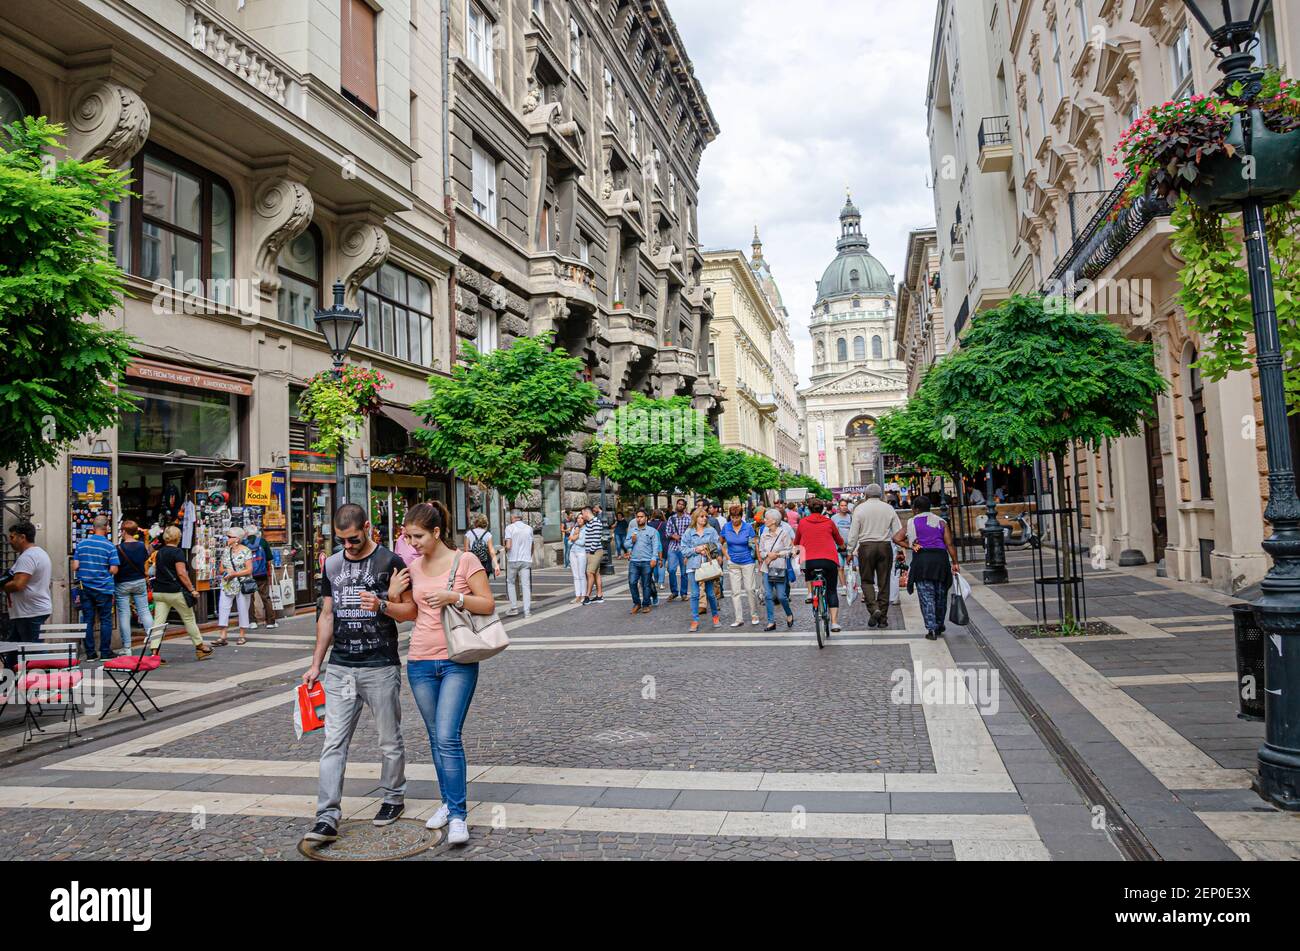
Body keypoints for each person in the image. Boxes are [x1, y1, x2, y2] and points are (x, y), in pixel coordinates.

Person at [301, 504, 412, 845]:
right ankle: (327, 816)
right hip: (341, 668)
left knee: (388, 739)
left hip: (380, 665)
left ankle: (393, 797)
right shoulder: (331, 565)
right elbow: (326, 616)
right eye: (342, 541)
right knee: (333, 742)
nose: (347, 546)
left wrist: (381, 604)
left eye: (353, 539)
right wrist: (316, 663)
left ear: (367, 526)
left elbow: (410, 611)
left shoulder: (391, 562)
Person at [385, 501, 492, 847]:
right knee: (434, 738)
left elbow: (487, 604)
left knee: (448, 736)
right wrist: (389, 597)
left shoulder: (466, 560)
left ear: (436, 532)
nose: (411, 543)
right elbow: (410, 614)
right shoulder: (412, 569)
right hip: (419, 662)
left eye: (417, 536)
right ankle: (447, 804)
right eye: (407, 536)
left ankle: (459, 816)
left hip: (457, 658)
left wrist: (454, 596)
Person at [895, 496, 960, 640]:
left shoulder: (911, 522)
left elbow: (896, 538)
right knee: (941, 595)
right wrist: (955, 563)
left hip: (922, 561)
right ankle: (939, 624)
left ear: (916, 509)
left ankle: (931, 629)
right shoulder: (941, 522)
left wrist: (911, 546)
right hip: (940, 561)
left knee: (926, 597)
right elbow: (949, 544)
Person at [150, 525, 214, 660]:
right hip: (174, 591)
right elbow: (181, 573)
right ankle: (200, 646)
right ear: (178, 537)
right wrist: (192, 589)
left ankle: (154, 652)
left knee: (158, 623)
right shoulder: (177, 552)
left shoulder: (160, 551)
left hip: (159, 591)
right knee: (189, 618)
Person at [846, 484, 903, 629]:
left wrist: (849, 551)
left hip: (866, 547)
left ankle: (873, 608)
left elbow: (853, 534)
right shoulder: (888, 508)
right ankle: (883, 619)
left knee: (866, 580)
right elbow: (898, 531)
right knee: (884, 583)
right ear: (880, 494)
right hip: (885, 546)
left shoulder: (859, 509)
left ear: (865, 495)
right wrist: (901, 549)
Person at [794, 498, 846, 633]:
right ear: (822, 509)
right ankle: (834, 623)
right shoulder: (829, 522)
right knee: (832, 590)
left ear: (809, 509)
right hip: (828, 560)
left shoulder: (803, 522)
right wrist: (842, 546)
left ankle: (811, 593)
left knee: (809, 574)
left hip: (808, 561)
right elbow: (839, 540)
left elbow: (796, 541)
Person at [72, 515, 118, 660]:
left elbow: (75, 566)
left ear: (93, 528)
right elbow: (114, 569)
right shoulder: (110, 546)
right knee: (105, 619)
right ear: (107, 528)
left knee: (87, 619)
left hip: (85, 587)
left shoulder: (81, 544)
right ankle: (105, 652)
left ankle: (90, 653)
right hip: (104, 588)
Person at [4, 520, 52, 646]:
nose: (10, 541)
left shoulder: (28, 557)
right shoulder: (39, 553)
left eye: (12, 537)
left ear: (22, 537)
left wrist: (3, 586)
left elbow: (18, 584)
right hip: (27, 611)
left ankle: (42, 666)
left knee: (33, 651)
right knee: (14, 650)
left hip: (29, 613)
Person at [112, 520, 153, 654]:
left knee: (124, 614)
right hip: (139, 581)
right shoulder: (141, 546)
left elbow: (115, 569)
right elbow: (146, 557)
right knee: (144, 611)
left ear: (123, 531)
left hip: (122, 583)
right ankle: (153, 644)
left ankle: (127, 648)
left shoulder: (118, 548)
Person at [680, 508, 721, 632]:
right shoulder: (688, 532)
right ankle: (695, 620)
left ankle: (715, 616)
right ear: (695, 518)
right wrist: (696, 550)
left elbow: (718, 545)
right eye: (701, 516)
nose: (704, 518)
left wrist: (707, 548)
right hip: (693, 566)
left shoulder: (711, 531)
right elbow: (683, 549)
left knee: (710, 593)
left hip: (707, 566)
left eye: (705, 516)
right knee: (694, 594)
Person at [721, 504, 760, 627]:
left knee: (750, 589)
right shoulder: (726, 527)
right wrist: (727, 557)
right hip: (733, 563)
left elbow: (755, 544)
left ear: (741, 516)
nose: (734, 520)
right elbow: (720, 543)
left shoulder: (748, 527)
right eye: (732, 517)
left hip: (748, 562)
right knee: (735, 592)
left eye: (737, 517)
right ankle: (739, 618)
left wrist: (759, 559)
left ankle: (754, 614)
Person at [214, 527, 254, 647]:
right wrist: (226, 571)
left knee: (243, 608)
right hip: (227, 584)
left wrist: (235, 574)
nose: (227, 538)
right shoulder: (226, 551)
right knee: (223, 608)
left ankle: (242, 635)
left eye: (229, 536)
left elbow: (249, 569)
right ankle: (223, 635)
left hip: (242, 583)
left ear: (237, 539)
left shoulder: (246, 551)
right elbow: (220, 568)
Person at [758, 508, 796, 631]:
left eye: (767, 518)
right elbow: (761, 551)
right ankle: (771, 621)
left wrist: (777, 555)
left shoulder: (783, 533)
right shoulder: (763, 534)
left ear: (774, 521)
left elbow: (790, 550)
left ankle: (789, 613)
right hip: (767, 568)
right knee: (768, 595)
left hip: (780, 567)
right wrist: (767, 555)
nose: (764, 520)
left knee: (781, 596)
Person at [624, 509, 662, 615]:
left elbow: (655, 546)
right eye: (637, 517)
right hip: (634, 561)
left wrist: (654, 558)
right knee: (632, 582)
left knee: (646, 584)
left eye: (641, 516)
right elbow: (626, 545)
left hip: (647, 561)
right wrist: (632, 540)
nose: (639, 518)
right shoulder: (632, 531)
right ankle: (637, 603)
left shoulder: (652, 531)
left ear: (646, 518)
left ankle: (646, 604)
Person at [244, 525, 279, 630]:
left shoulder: (243, 543)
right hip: (262, 574)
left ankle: (252, 622)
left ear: (246, 533)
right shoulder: (263, 542)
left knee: (249, 598)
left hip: (248, 574)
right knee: (266, 597)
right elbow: (269, 559)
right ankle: (270, 622)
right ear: (256, 532)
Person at [502, 510, 534, 618]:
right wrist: (529, 556)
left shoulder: (509, 528)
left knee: (510, 582)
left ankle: (514, 607)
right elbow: (532, 545)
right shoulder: (529, 528)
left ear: (513, 517)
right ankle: (527, 611)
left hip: (513, 559)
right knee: (526, 585)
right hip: (526, 560)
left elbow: (509, 545)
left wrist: (505, 550)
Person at [664, 498, 691, 602]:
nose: (679, 506)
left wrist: (683, 537)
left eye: (681, 504)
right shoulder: (671, 518)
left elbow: (691, 533)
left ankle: (683, 593)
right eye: (678, 504)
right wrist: (672, 535)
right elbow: (667, 533)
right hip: (673, 547)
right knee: (671, 570)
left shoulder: (688, 519)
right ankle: (674, 592)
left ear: (684, 507)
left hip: (684, 548)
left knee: (684, 572)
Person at [581, 505, 607, 604]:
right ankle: (599, 595)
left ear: (587, 513)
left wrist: (590, 551)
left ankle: (587, 596)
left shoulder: (596, 522)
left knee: (589, 573)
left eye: (583, 513)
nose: (582, 516)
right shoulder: (589, 523)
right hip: (592, 551)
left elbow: (596, 538)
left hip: (595, 551)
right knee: (596, 573)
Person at [567, 511, 588, 603]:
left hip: (581, 553)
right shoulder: (574, 528)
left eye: (581, 518)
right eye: (578, 518)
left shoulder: (586, 529)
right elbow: (568, 543)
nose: (579, 520)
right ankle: (577, 595)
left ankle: (583, 595)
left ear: (584, 519)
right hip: (572, 553)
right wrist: (574, 537)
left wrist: (573, 538)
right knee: (575, 576)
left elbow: (582, 543)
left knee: (582, 575)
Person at [649, 509, 669, 599]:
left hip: (653, 545)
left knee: (655, 563)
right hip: (664, 545)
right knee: (662, 563)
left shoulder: (649, 524)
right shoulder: (665, 523)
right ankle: (661, 583)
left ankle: (656, 581)